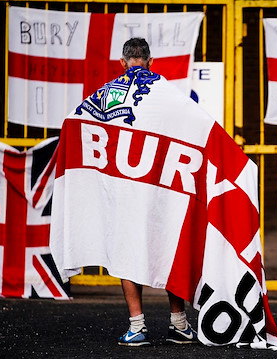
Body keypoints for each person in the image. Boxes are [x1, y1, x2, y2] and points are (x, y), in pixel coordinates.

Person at [113, 37, 197, 347]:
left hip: (127, 186)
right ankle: (179, 324)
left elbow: (79, 120)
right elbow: (193, 127)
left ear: (123, 63)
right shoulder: (168, 93)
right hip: (163, 185)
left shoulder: (109, 95)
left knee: (127, 253)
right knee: (168, 250)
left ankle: (137, 327)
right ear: (151, 61)